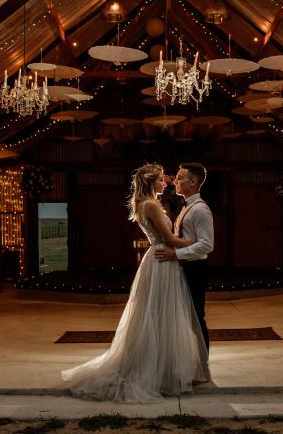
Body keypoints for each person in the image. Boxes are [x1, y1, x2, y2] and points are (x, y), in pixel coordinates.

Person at [61, 163, 209, 403]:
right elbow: (170, 238)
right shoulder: (150, 205)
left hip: (162, 258)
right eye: (162, 179)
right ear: (152, 181)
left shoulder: (149, 203)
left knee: (160, 315)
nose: (167, 183)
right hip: (162, 257)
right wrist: (198, 245)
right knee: (158, 315)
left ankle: (163, 368)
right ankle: (154, 370)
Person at [154, 162, 213, 350]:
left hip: (195, 269)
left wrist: (176, 254)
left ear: (193, 182)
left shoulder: (200, 210)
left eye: (180, 177)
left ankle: (203, 367)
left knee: (196, 317)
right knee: (186, 317)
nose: (175, 181)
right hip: (186, 267)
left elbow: (206, 245)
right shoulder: (188, 206)